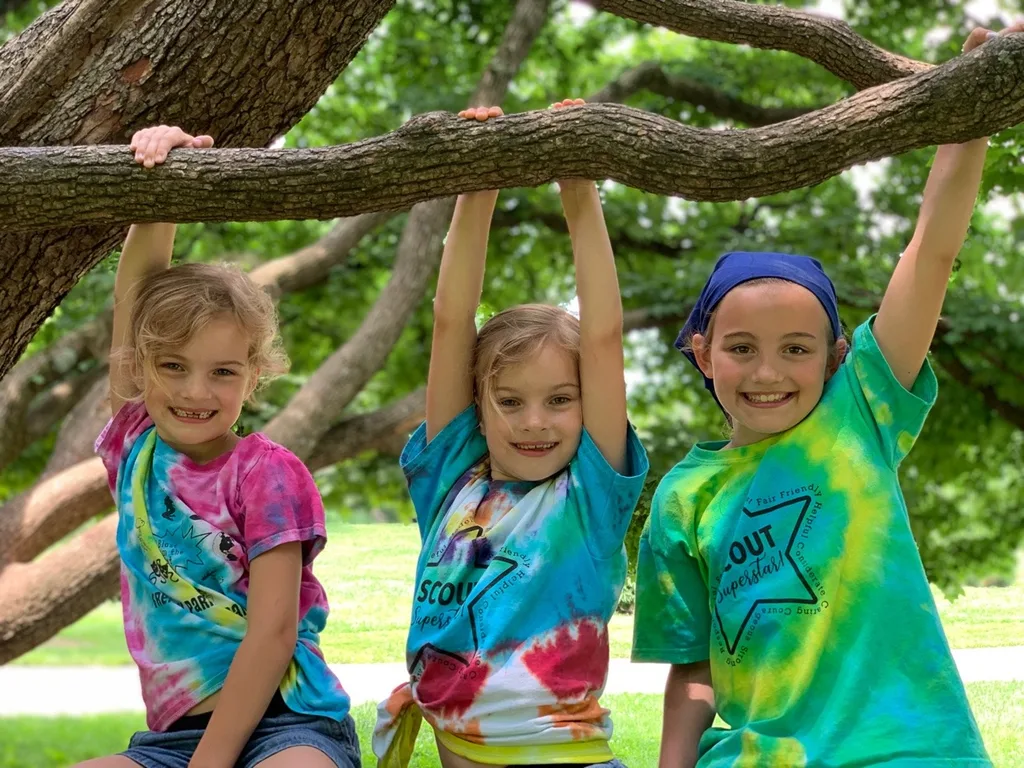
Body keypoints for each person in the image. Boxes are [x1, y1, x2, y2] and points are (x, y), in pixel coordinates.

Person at [629, 24, 1022, 768]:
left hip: (909, 749)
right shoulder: (684, 498)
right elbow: (694, 666)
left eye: (797, 350)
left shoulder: (860, 413)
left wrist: (975, 104)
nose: (768, 371)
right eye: (741, 350)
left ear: (838, 358)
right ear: (703, 353)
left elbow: (931, 251)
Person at [373, 100, 649, 768]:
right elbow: (450, 320)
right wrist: (479, 185)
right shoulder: (452, 480)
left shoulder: (590, 493)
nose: (534, 421)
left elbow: (605, 334)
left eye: (561, 400)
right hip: (454, 746)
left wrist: (578, 187)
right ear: (480, 404)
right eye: (511, 401)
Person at [77, 126, 360, 768]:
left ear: (253, 377)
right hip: (174, 741)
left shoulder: (268, 475)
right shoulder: (136, 444)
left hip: (289, 724)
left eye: (223, 372)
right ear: (141, 366)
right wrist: (162, 174)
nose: (195, 390)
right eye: (173, 366)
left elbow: (274, 631)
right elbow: (137, 294)